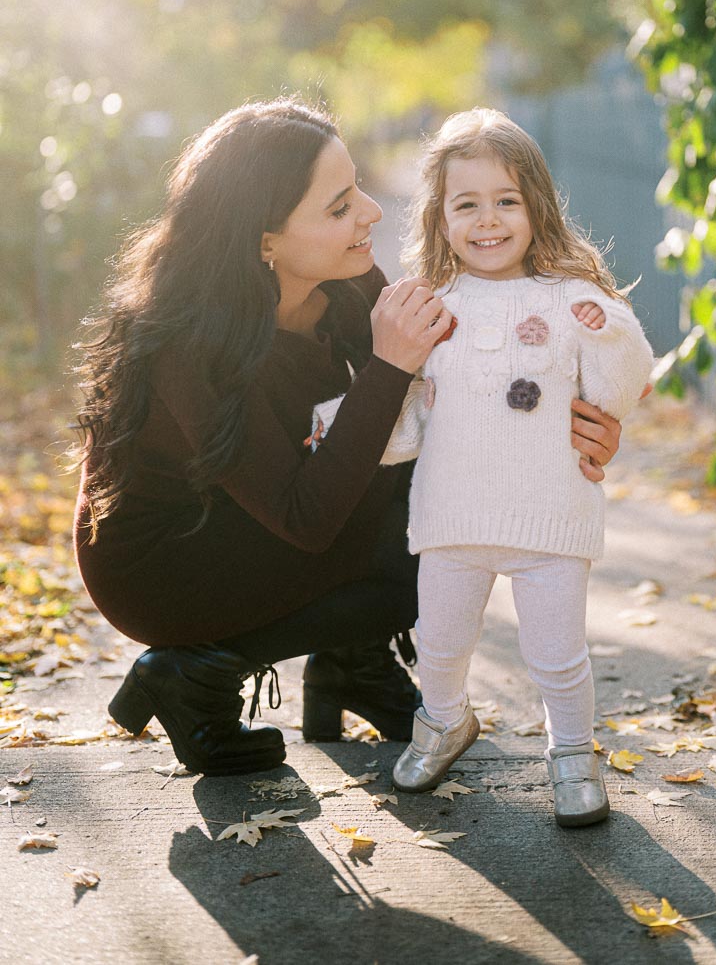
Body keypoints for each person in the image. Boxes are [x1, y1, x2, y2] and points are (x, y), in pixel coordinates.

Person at [73, 98, 622, 777]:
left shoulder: (350, 280)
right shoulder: (188, 347)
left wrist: (583, 423)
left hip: (265, 512)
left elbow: (473, 383)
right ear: (264, 240)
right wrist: (389, 366)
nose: (369, 212)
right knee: (429, 555)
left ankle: (351, 663)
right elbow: (306, 518)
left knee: (449, 509)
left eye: (356, 185)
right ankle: (198, 670)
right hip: (166, 566)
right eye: (338, 207)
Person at [314, 108, 653, 826]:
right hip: (452, 519)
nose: (488, 220)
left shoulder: (574, 300)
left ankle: (572, 753)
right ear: (439, 216)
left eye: (507, 201)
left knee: (558, 655)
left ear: (537, 207)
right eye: (466, 204)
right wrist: (330, 423)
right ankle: (442, 722)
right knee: (439, 644)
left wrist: (612, 331)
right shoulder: (429, 308)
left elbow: (618, 393)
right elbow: (402, 419)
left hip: (551, 515)